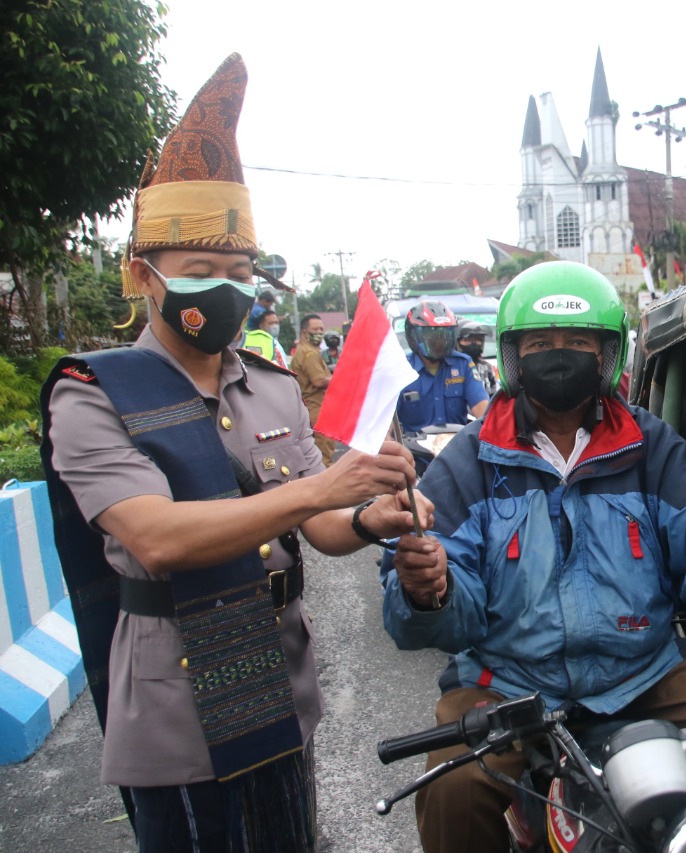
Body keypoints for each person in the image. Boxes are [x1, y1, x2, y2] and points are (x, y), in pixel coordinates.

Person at [39, 54, 430, 852]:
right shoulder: (91, 393)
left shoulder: (273, 386)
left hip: (281, 680)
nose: (225, 286)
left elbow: (320, 528)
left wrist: (370, 514)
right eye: (201, 270)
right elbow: (155, 537)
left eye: (240, 271)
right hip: (176, 702)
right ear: (141, 275)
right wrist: (323, 494)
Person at [381, 261, 686, 852]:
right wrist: (430, 591)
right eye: (541, 343)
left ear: (609, 354)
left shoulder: (650, 445)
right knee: (452, 786)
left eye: (579, 342)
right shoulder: (470, 462)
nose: (560, 355)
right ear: (512, 356)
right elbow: (442, 607)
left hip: (646, 671)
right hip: (508, 682)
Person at [396, 300, 489, 432]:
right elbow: (386, 423)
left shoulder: (463, 364)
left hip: (457, 446)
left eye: (444, 335)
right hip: (414, 450)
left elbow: (482, 408)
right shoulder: (401, 369)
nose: (439, 341)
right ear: (413, 337)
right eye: (432, 336)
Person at [291, 313, 336, 467]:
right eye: (315, 329)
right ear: (304, 332)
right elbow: (318, 380)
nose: (320, 333)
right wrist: (342, 378)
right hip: (317, 410)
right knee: (324, 458)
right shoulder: (309, 353)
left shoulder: (307, 350)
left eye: (321, 329)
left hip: (314, 409)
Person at [457, 319, 498, 396]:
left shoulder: (486, 367)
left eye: (478, 340)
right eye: (468, 340)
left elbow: (493, 396)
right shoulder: (450, 369)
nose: (474, 343)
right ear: (457, 342)